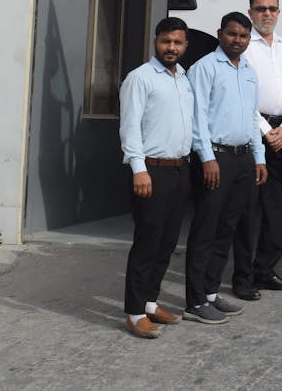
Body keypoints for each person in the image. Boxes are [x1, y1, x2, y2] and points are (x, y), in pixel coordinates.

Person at [184, 12, 267, 325]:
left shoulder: (248, 72)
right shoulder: (205, 68)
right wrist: (206, 157)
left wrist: (259, 158)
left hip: (243, 158)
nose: (238, 40)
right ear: (220, 34)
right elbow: (197, 116)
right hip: (215, 158)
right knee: (205, 230)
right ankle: (194, 302)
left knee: (226, 230)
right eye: (232, 34)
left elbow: (251, 117)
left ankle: (210, 293)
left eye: (243, 36)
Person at [119, 18, 194, 339]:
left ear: (185, 44)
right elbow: (129, 126)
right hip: (151, 171)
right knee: (147, 244)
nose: (171, 48)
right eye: (166, 41)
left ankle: (150, 302)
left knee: (167, 243)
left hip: (180, 169)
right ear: (155, 41)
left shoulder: (184, 79)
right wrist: (139, 169)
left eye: (177, 42)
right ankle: (135, 313)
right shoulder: (140, 78)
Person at [233, 0, 282, 297]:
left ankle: (265, 270)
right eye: (261, 8)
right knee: (249, 211)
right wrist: (264, 129)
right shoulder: (244, 46)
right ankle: (243, 277)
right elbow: (240, 94)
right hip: (253, 135)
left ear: (279, 12)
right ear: (251, 13)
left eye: (272, 8)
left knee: (279, 209)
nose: (267, 13)